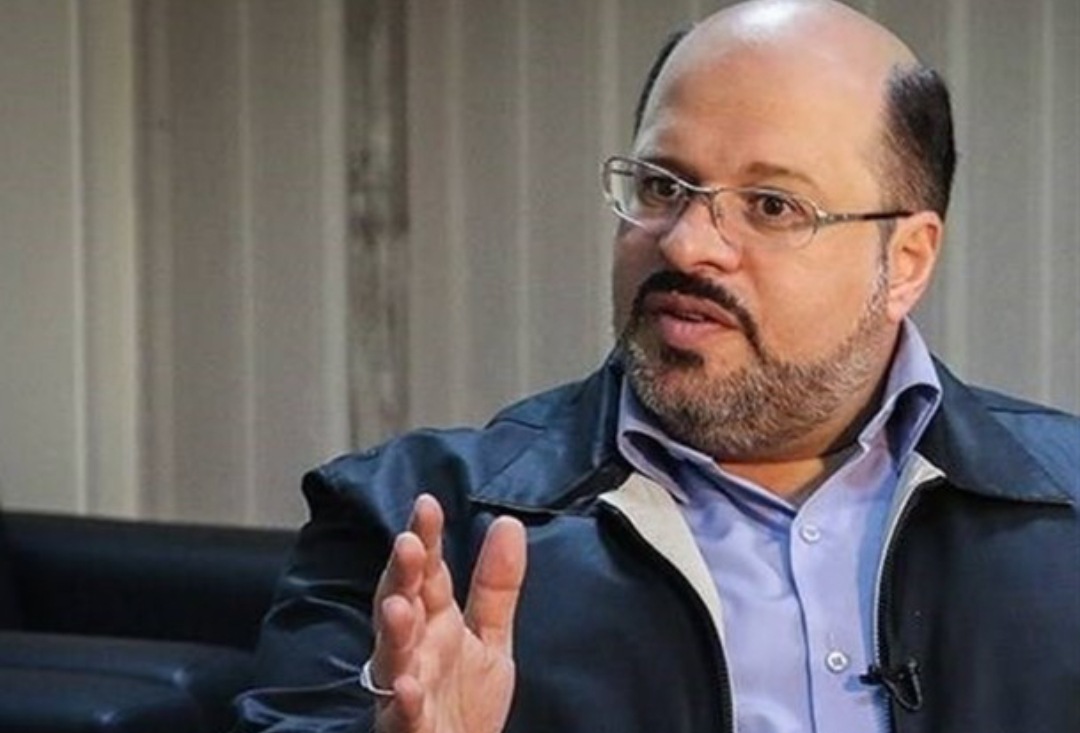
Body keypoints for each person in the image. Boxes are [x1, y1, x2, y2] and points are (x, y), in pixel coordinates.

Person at [233, 1, 1080, 731]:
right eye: (664, 187)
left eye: (772, 205)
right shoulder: (411, 530)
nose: (686, 244)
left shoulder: (1065, 515)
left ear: (906, 260)